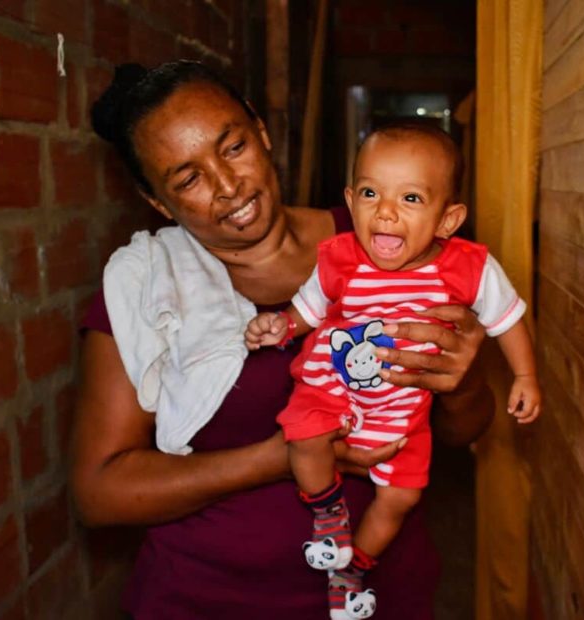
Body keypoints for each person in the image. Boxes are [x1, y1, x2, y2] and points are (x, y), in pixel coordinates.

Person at [71, 60, 495, 620]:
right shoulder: (152, 286)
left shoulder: (384, 233)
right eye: (188, 179)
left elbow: (462, 428)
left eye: (233, 146)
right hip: (207, 600)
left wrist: (462, 381)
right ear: (157, 202)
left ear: (261, 133)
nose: (228, 185)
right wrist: (280, 457)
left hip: (381, 591)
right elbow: (99, 491)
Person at [245, 123, 541, 618]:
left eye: (410, 197)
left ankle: (351, 571)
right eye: (369, 192)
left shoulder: (468, 269)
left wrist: (526, 377)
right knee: (304, 436)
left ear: (448, 219)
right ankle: (328, 516)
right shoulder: (339, 258)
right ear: (349, 198)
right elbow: (308, 312)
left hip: (401, 413)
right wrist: (279, 325)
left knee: (402, 498)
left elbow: (507, 320)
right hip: (331, 389)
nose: (384, 210)